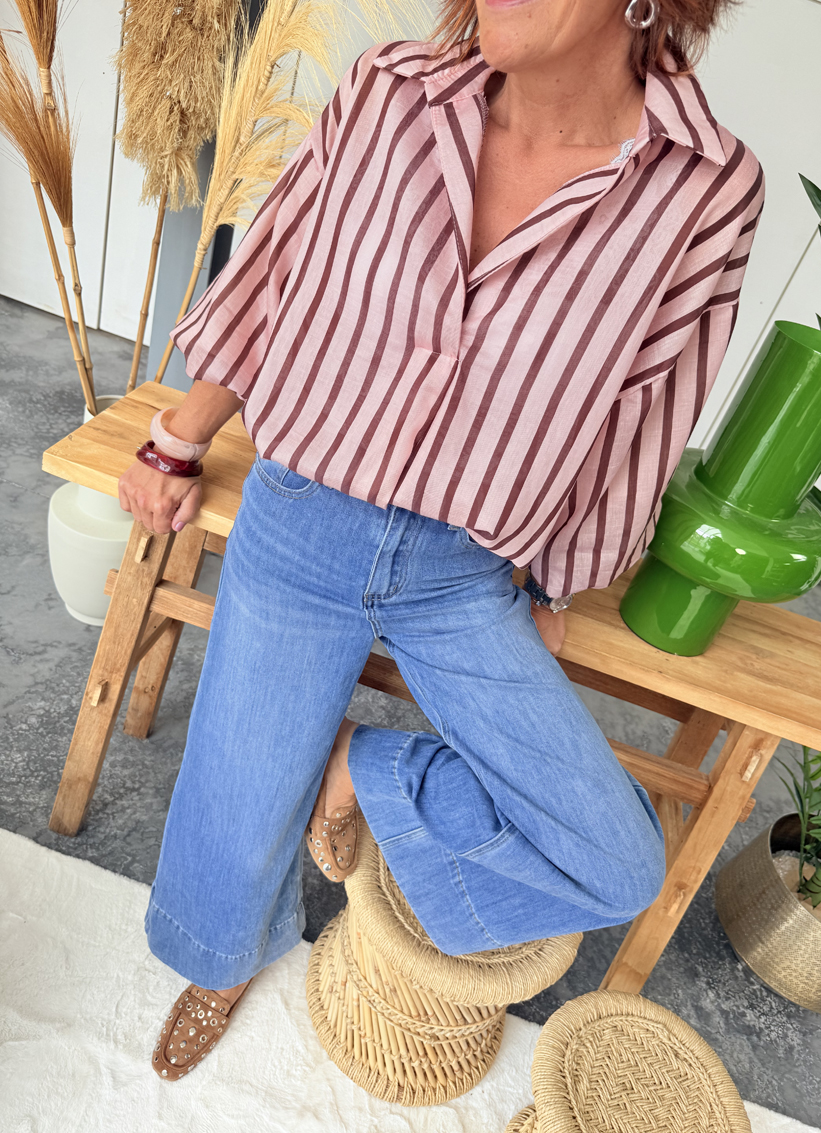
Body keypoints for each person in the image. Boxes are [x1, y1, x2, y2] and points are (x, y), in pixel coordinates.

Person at [119, 0, 763, 1082]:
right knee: (232, 814)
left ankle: (360, 767)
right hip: (303, 517)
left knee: (615, 861)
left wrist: (556, 583)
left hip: (462, 573)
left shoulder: (705, 188)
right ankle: (222, 962)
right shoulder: (390, 92)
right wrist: (176, 441)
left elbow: (647, 411)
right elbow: (270, 278)